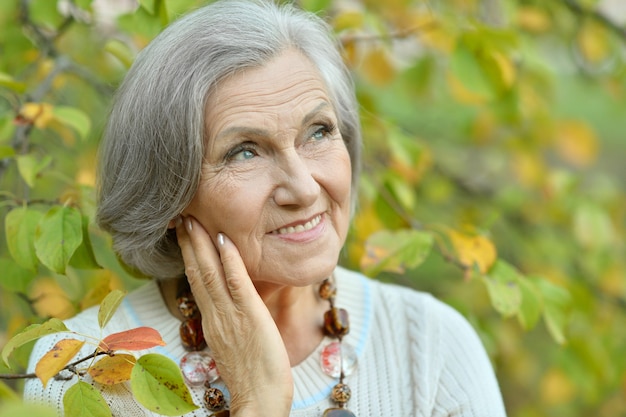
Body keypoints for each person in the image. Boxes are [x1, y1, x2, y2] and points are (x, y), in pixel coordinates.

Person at [24, 0, 507, 416]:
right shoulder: (81, 372)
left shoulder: (431, 346)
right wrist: (257, 402)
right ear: (168, 194)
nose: (302, 187)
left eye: (318, 131)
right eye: (245, 152)